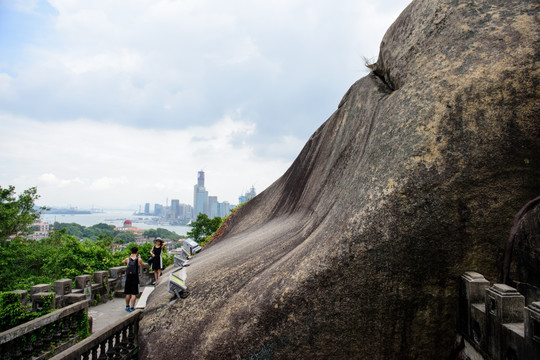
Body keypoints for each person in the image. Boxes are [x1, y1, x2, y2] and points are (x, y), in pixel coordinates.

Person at [122, 246, 146, 312]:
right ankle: (132, 307)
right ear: (137, 252)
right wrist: (140, 258)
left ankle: (127, 306)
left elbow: (122, 262)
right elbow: (143, 265)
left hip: (128, 277)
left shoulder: (127, 259)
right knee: (133, 294)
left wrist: (127, 259)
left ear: (131, 251)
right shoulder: (138, 259)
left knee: (127, 293)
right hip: (135, 277)